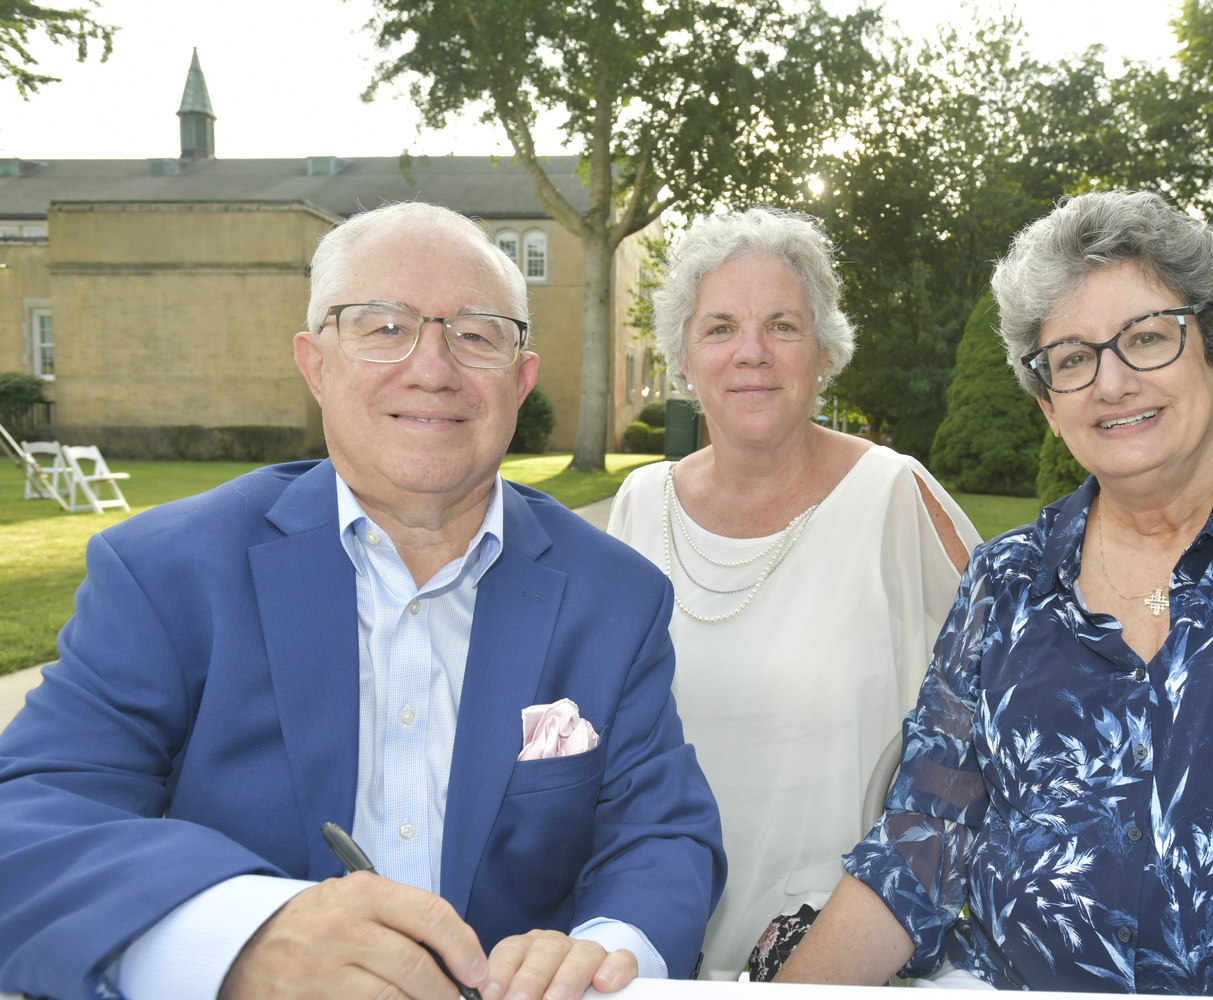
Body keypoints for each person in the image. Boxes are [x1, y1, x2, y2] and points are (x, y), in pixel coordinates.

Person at [776, 189, 1213, 997]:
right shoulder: (1006, 580)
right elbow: (923, 842)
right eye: (1074, 359)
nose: (1111, 383)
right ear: (1049, 404)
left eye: (1148, 338)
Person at [0, 202, 725, 1000]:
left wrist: (603, 954)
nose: (432, 367)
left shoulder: (615, 597)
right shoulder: (167, 573)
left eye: (477, 333)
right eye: (383, 327)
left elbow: (663, 833)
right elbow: (29, 820)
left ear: (521, 380)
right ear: (316, 364)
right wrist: (241, 934)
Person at [607, 207, 981, 980]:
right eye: (719, 328)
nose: (751, 352)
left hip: (838, 964)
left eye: (781, 325)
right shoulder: (639, 505)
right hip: (648, 954)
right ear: (683, 354)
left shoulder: (894, 496)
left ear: (823, 349)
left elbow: (996, 731)